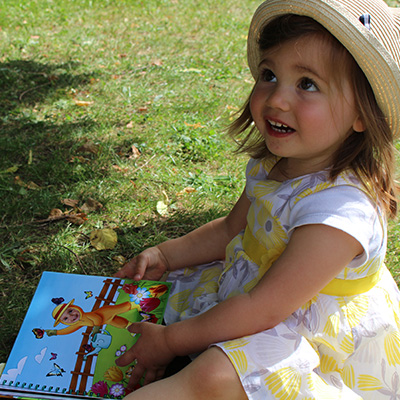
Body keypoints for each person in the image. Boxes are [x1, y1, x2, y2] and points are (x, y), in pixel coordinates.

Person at [115, 0, 400, 398]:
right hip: (261, 300)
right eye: (269, 75)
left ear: (362, 114)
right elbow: (233, 229)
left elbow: (265, 308)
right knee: (154, 300)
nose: (276, 99)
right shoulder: (277, 166)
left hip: (311, 341)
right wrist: (167, 255)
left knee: (214, 374)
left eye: (307, 84)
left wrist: (170, 341)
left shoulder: (340, 213)